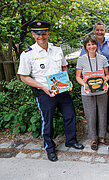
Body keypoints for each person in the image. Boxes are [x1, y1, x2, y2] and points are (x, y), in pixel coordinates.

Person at [17, 21, 84, 162]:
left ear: (48, 33)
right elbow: (24, 77)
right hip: (44, 93)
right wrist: (42, 87)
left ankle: (70, 140)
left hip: (62, 90)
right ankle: (50, 148)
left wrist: (67, 80)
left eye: (44, 33)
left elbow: (64, 66)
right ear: (33, 34)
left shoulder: (57, 49)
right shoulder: (27, 54)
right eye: (38, 34)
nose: (41, 36)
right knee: (47, 121)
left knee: (70, 115)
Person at [80, 21, 109, 133]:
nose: (100, 32)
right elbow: (82, 62)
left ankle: (105, 124)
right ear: (94, 30)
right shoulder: (87, 45)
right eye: (97, 30)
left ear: (105, 31)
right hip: (91, 78)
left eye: (102, 30)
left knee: (106, 103)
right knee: (92, 106)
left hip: (106, 76)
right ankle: (95, 127)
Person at [76, 35, 109, 150]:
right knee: (90, 115)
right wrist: (85, 84)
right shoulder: (81, 59)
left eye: (93, 44)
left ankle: (101, 137)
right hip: (87, 92)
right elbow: (78, 77)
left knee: (102, 113)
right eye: (89, 44)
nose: (91, 46)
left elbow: (107, 75)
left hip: (101, 91)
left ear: (97, 45)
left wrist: (103, 82)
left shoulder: (103, 58)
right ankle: (93, 138)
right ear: (85, 46)